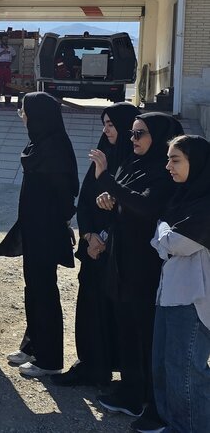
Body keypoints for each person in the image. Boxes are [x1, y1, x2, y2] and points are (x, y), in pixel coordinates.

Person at [92, 113, 182, 430]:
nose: (133, 139)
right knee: (127, 328)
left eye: (139, 133)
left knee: (146, 333)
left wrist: (107, 182)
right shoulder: (134, 164)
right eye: (131, 133)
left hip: (147, 265)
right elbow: (125, 201)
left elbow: (145, 207)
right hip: (123, 259)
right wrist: (108, 199)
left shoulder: (163, 171)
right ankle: (132, 392)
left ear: (158, 137)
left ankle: (153, 401)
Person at [53, 102, 139, 388]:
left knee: (116, 312)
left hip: (117, 252)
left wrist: (104, 238)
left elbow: (133, 208)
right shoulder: (102, 157)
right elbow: (87, 200)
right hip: (94, 250)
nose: (106, 130)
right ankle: (91, 365)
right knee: (90, 308)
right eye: (104, 124)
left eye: (112, 125)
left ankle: (117, 369)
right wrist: (89, 235)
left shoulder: (133, 162)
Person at [0, 92, 79, 378]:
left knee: (44, 292)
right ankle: (32, 346)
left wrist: (59, 223)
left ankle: (50, 359)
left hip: (46, 231)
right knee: (33, 289)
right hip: (33, 228)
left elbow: (66, 194)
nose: (22, 116)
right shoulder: (39, 143)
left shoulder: (55, 147)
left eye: (24, 111)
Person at [153, 135, 210, 432]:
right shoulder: (183, 196)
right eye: (168, 160)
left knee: (187, 373)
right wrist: (165, 233)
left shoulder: (206, 203)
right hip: (170, 293)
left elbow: (175, 243)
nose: (168, 167)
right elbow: (163, 242)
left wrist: (163, 228)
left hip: (193, 301)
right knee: (165, 367)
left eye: (175, 160)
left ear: (196, 162)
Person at [0, 35, 16, 102]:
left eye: (6, 39)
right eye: (4, 39)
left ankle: (8, 101)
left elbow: (14, 55)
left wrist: (11, 62)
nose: (6, 40)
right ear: (1, 40)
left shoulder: (11, 48)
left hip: (7, 69)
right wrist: (2, 52)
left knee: (8, 84)